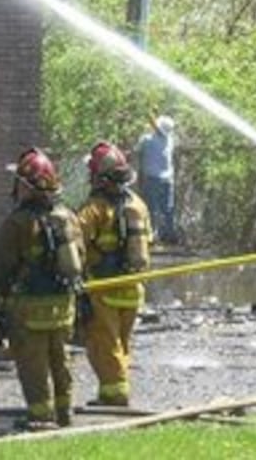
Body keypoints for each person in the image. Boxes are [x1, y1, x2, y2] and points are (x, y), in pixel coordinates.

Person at [0, 148, 86, 431]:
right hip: (64, 306)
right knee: (59, 359)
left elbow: (1, 271)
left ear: (26, 186)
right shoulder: (69, 217)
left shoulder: (17, 224)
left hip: (28, 309)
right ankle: (65, 413)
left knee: (33, 364)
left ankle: (41, 417)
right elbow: (81, 259)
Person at [76, 141, 153, 407]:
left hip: (103, 288)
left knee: (104, 344)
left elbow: (75, 242)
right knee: (121, 342)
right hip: (133, 287)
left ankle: (115, 393)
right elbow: (148, 242)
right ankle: (111, 390)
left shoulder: (94, 209)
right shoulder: (139, 205)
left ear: (99, 176)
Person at [136, 114, 177, 243]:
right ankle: (169, 234)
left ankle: (153, 234)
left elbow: (138, 150)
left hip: (152, 178)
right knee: (168, 208)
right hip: (168, 179)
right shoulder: (170, 140)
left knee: (151, 208)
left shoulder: (146, 140)